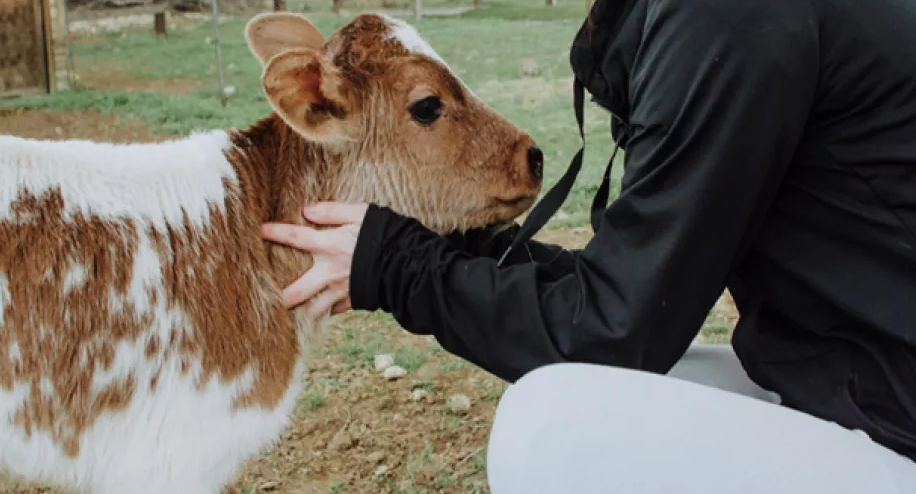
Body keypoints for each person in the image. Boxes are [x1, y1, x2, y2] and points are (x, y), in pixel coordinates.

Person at [262, 0, 916, 491]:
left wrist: (397, 267)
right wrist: (462, 248)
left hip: (894, 422)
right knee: (576, 386)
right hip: (853, 375)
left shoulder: (727, 17)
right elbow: (628, 292)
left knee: (546, 425)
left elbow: (616, 328)